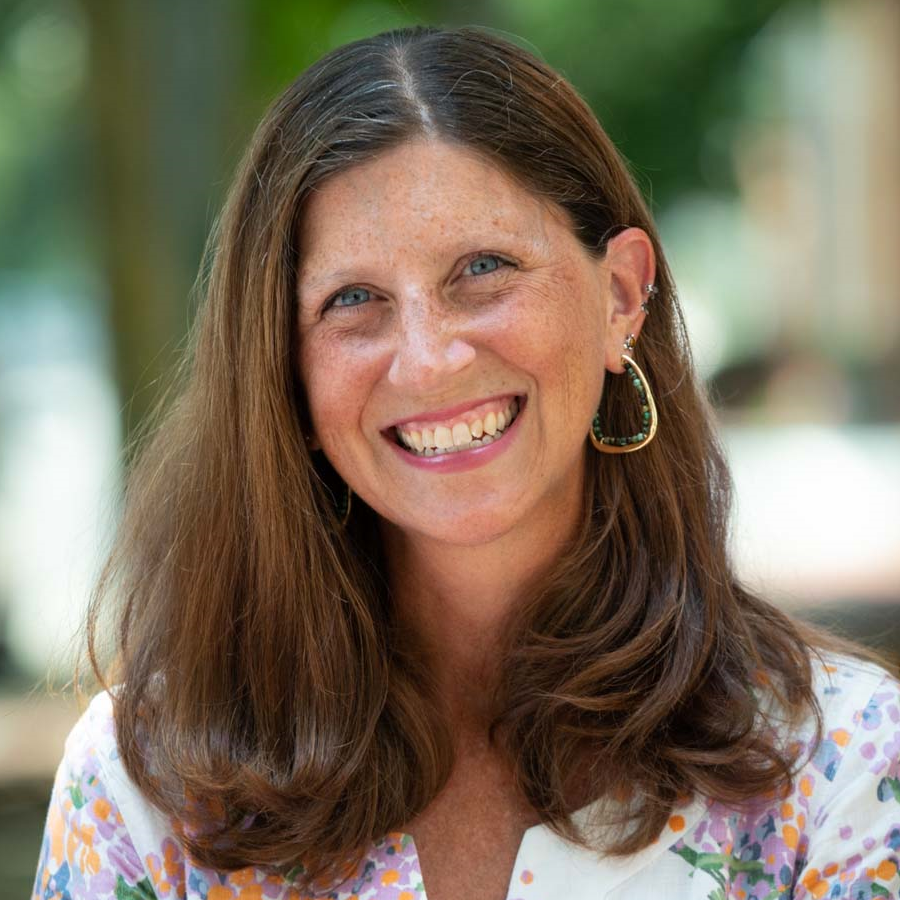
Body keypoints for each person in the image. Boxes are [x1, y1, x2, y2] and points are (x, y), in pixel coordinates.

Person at [33, 25, 900, 900]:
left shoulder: (843, 769)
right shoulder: (145, 791)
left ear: (621, 296)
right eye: (354, 300)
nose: (428, 359)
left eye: (483, 268)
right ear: (284, 372)